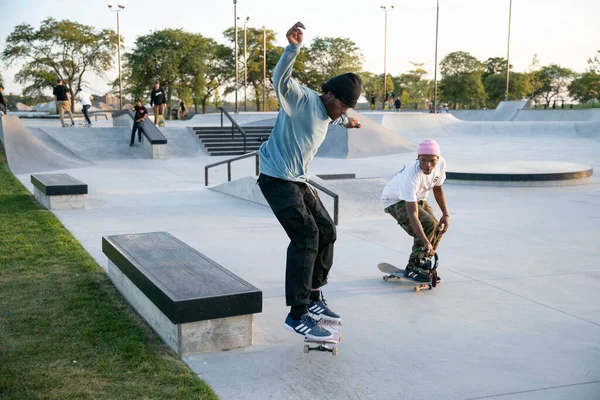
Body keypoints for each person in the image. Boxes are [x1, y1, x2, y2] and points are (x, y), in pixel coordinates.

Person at [257, 22, 362, 341]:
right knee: (306, 235)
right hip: (276, 178)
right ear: (328, 93)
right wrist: (292, 48)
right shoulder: (301, 100)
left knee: (327, 231)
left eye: (346, 108)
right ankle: (297, 312)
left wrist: (348, 121)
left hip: (297, 180)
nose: (341, 111)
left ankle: (314, 295)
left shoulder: (332, 113)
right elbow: (280, 81)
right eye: (341, 105)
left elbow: (334, 116)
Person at [381, 139, 450, 282]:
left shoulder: (441, 163)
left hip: (419, 198)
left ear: (438, 159)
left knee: (436, 228)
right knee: (428, 225)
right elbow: (412, 214)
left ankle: (422, 264)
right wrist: (425, 240)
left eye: (432, 161)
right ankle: (412, 267)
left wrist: (446, 214)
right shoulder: (411, 176)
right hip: (396, 200)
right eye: (423, 160)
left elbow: (438, 189)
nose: (427, 165)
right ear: (417, 158)